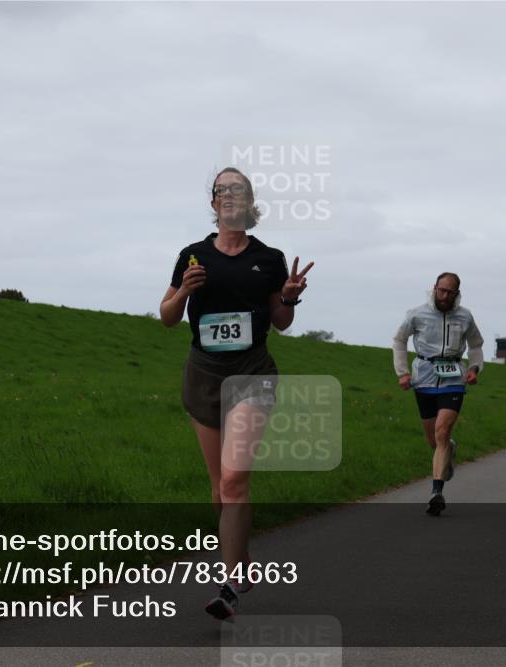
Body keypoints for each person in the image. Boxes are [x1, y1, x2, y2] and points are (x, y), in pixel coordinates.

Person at [160, 167, 313, 621]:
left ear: (249, 202)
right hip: (204, 374)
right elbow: (167, 317)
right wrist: (183, 292)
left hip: (252, 374)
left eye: (238, 190)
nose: (229, 197)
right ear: (213, 204)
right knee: (218, 490)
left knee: (233, 481)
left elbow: (281, 323)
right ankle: (241, 567)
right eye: (221, 191)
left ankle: (227, 587)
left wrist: (288, 296)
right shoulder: (192, 256)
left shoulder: (270, 258)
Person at [392, 272, 484, 516]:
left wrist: (474, 368)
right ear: (434, 288)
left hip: (454, 377)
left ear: (457, 294)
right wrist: (402, 372)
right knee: (434, 440)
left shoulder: (465, 316)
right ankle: (448, 450)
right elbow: (399, 340)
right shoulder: (416, 313)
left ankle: (436, 492)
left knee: (442, 431)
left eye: (449, 292)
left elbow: (476, 344)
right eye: (441, 290)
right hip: (424, 377)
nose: (444, 296)